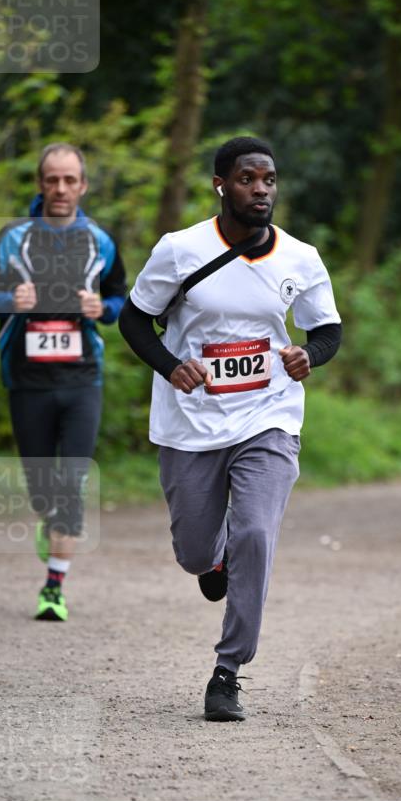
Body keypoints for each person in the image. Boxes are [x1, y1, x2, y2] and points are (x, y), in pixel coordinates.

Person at [119, 135, 341, 721]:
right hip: (191, 422)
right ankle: (212, 562)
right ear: (221, 185)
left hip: (268, 418)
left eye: (268, 180)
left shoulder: (300, 258)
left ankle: (228, 671)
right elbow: (134, 320)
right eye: (247, 179)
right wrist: (172, 366)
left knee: (256, 535)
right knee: (195, 552)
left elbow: (326, 330)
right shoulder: (180, 250)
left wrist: (309, 356)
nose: (260, 190)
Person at [0, 143, 128, 621]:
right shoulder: (12, 238)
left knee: (72, 484)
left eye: (69, 180)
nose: (61, 188)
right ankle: (51, 519)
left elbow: (120, 298)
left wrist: (103, 309)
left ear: (83, 185)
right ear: (41, 184)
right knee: (44, 492)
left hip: (83, 379)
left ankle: (54, 587)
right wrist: (9, 301)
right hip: (27, 379)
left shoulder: (100, 242)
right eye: (53, 180)